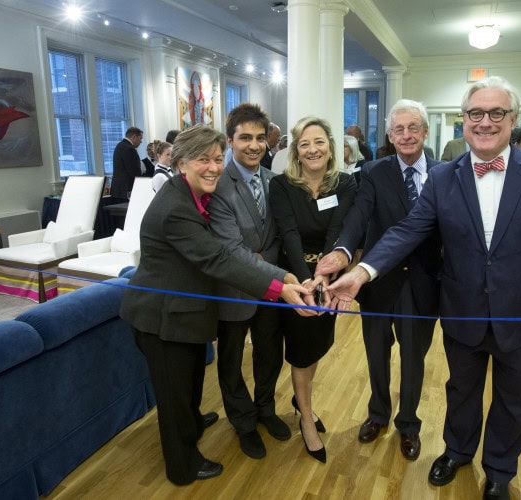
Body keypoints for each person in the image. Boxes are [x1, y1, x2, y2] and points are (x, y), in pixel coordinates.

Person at [328, 76, 521, 499]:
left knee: (516, 399)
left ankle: (500, 471)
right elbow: (409, 229)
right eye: (476, 114)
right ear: (463, 121)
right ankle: (457, 452)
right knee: (461, 390)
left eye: (496, 113)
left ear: (512, 120)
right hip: (462, 310)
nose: (485, 122)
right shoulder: (444, 177)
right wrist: (362, 271)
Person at [119, 124, 313, 485]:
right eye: (201, 160)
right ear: (180, 164)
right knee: (175, 395)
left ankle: (193, 422)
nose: (212, 167)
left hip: (185, 313)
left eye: (215, 159)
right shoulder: (176, 207)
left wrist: (283, 276)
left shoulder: (191, 195)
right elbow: (218, 260)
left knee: (191, 381)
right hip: (161, 318)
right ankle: (183, 466)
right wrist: (278, 286)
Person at [316, 99, 442, 462]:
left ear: (425, 131)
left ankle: (408, 423)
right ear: (389, 135)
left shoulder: (445, 173)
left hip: (422, 282)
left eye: (413, 128)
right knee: (376, 353)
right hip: (377, 281)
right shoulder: (373, 171)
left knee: (414, 358)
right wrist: (342, 250)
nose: (406, 135)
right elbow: (358, 217)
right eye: (398, 129)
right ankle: (378, 413)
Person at [270, 116, 358, 463]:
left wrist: (323, 276)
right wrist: (306, 280)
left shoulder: (346, 184)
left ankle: (300, 399)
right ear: (296, 151)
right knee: (301, 350)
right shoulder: (281, 186)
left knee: (318, 345)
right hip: (294, 280)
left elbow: (338, 229)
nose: (312, 149)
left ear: (330, 147)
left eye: (319, 141)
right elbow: (288, 233)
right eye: (304, 144)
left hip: (328, 275)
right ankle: (306, 417)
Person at [207, 104, 290, 459]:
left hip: (268, 291)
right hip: (233, 291)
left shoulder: (274, 181)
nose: (254, 145)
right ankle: (243, 422)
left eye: (259, 138)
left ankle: (266, 410)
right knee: (230, 360)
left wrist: (263, 262)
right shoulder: (218, 185)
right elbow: (229, 248)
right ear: (230, 141)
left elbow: (279, 235)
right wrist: (271, 270)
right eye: (245, 138)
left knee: (270, 353)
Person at [110, 126, 143, 201]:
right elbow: (134, 171)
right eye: (140, 138)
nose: (141, 141)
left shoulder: (119, 145)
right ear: (134, 136)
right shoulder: (129, 149)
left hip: (118, 189)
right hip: (127, 190)